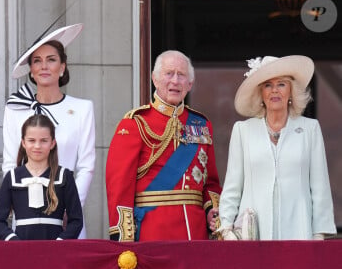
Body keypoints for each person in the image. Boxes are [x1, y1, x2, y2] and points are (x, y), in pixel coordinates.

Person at [105, 50, 222, 241]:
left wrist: (212, 211)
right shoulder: (135, 123)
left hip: (195, 232)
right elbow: (119, 184)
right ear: (155, 79)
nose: (175, 81)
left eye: (181, 75)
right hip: (152, 231)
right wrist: (123, 235)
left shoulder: (201, 124)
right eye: (169, 73)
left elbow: (211, 182)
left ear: (190, 84)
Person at [218, 55, 336, 240]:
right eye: (267, 85)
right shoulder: (243, 130)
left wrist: (318, 234)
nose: (274, 90)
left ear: (291, 91)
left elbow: (320, 187)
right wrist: (226, 228)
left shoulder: (310, 129)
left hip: (299, 233)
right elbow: (233, 186)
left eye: (281, 84)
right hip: (253, 236)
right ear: (261, 94)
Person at [2, 23, 95, 238]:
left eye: (51, 60)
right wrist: (18, 204)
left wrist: (71, 208)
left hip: (67, 217)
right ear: (31, 71)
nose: (44, 66)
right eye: (37, 61)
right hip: (26, 215)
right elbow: (9, 163)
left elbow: (86, 166)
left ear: (62, 67)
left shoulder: (82, 109)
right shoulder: (16, 109)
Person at [0, 114, 83, 240]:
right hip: (21, 252)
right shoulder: (12, 177)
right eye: (31, 140)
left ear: (52, 143)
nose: (37, 146)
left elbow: (76, 221)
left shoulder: (64, 176)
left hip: (55, 251)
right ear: (23, 142)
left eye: (44, 140)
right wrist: (14, 241)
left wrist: (60, 243)